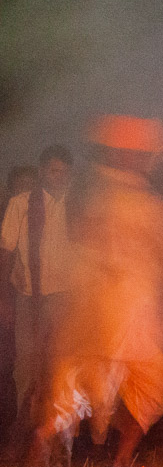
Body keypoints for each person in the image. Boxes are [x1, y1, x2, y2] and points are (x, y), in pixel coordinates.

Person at [30, 117, 163, 467]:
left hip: (95, 310)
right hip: (131, 311)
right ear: (132, 157)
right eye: (146, 155)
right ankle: (115, 459)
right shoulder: (136, 202)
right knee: (148, 385)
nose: (149, 161)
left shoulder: (98, 195)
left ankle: (53, 439)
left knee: (92, 383)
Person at [0, 145, 75, 450]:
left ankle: (50, 438)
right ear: (43, 171)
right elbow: (5, 253)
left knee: (58, 366)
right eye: (54, 170)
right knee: (27, 367)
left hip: (64, 297)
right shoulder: (21, 204)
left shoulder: (75, 205)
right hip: (28, 297)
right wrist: (5, 299)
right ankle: (23, 431)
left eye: (64, 171)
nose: (59, 177)